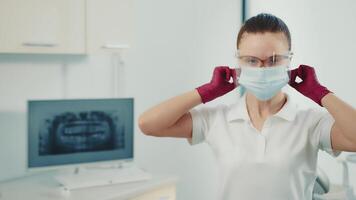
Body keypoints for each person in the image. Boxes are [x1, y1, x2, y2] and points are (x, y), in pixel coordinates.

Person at [138, 13, 356, 200]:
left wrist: (321, 94)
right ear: (238, 63)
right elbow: (148, 124)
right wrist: (205, 92)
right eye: (251, 60)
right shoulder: (218, 119)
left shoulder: (310, 122)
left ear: (289, 61)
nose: (262, 68)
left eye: (273, 60)